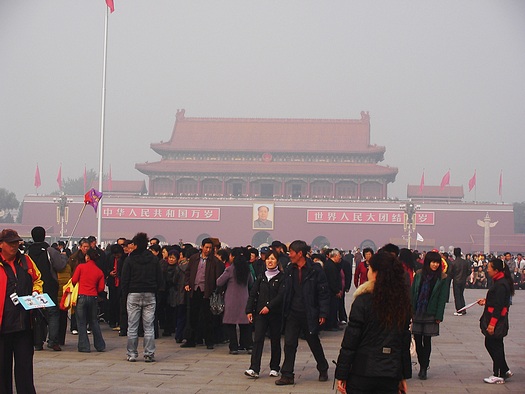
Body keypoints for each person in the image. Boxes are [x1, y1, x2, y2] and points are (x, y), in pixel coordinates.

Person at [335, 251, 412, 394]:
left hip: (363, 371)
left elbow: (351, 341)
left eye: (370, 269)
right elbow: (403, 342)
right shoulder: (402, 301)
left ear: (377, 273)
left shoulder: (363, 300)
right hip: (390, 372)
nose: (368, 272)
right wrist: (403, 376)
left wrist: (342, 373)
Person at [275, 240, 330, 386]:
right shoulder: (289, 269)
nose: (289, 255)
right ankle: (287, 375)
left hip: (309, 312)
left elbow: (323, 293)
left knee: (313, 342)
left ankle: (323, 368)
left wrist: (323, 313)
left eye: (291, 252)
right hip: (293, 312)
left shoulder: (315, 270)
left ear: (300, 253)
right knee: (289, 343)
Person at [0, 229, 42, 394]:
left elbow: (38, 279)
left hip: (24, 324)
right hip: (3, 326)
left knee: (25, 369)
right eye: (11, 243)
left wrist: (37, 292)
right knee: (2, 370)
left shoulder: (26, 261)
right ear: (1, 244)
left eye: (16, 242)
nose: (14, 246)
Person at [121, 232, 163, 362]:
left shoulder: (130, 259)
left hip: (133, 294)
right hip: (150, 294)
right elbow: (160, 279)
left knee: (132, 326)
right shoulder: (154, 259)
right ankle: (149, 353)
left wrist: (125, 293)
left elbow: (124, 279)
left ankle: (132, 354)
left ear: (136, 245)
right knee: (149, 326)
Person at [244, 250, 284, 378]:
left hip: (276, 314)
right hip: (260, 313)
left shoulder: (282, 277)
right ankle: (254, 368)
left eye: (272, 259)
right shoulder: (261, 276)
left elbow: (281, 296)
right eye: (268, 259)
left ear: (277, 261)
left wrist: (269, 306)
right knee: (258, 339)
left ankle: (275, 367)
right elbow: (253, 294)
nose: (270, 261)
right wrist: (249, 310)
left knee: (275, 340)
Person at [26, 226, 67, 351]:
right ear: (44, 236)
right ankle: (53, 341)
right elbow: (59, 266)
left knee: (37, 315)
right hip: (49, 286)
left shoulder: (28, 252)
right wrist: (64, 257)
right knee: (53, 314)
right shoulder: (50, 251)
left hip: (32, 287)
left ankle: (37, 343)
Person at [411, 251, 450, 380]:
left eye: (437, 262)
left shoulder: (443, 278)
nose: (435, 265)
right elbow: (413, 293)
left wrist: (439, 315)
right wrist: (410, 311)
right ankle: (423, 362)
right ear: (427, 262)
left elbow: (442, 298)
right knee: (417, 339)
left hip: (431, 313)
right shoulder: (419, 275)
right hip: (418, 311)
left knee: (427, 340)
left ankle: (423, 367)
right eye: (433, 262)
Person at [477, 258, 514, 384]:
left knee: (492, 344)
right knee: (497, 345)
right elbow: (498, 301)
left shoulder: (501, 284)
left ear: (496, 270)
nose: (487, 270)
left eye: (489, 268)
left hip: (496, 320)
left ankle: (499, 373)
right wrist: (486, 302)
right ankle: (504, 370)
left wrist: (492, 324)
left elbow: (499, 306)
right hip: (496, 317)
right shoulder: (499, 282)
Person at [182, 238, 224, 349]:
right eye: (206, 247)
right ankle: (191, 340)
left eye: (210, 248)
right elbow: (188, 272)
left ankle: (209, 341)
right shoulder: (194, 258)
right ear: (202, 247)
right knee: (192, 316)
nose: (208, 250)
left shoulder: (215, 261)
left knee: (207, 318)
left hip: (207, 292)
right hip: (194, 290)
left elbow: (218, 277)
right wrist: (187, 283)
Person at [217, 247, 253, 354]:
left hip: (231, 300)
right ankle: (248, 345)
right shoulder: (247, 269)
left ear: (232, 256)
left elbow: (219, 282)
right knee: (245, 324)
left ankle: (234, 347)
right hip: (244, 299)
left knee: (231, 324)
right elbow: (251, 282)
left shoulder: (230, 269)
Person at [71, 248, 106, 353]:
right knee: (94, 321)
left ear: (87, 257)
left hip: (81, 296)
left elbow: (74, 280)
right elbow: (101, 288)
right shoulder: (99, 271)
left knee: (81, 322)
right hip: (93, 297)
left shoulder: (81, 267)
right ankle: (100, 345)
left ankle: (84, 347)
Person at [450, 247, 470, 316]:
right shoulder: (465, 262)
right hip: (463, 280)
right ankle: (463, 308)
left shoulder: (453, 263)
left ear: (454, 253)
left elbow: (450, 273)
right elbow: (469, 271)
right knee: (461, 295)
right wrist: (465, 276)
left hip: (456, 280)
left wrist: (453, 277)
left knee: (457, 296)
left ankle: (459, 309)